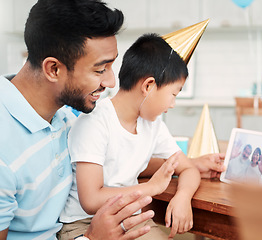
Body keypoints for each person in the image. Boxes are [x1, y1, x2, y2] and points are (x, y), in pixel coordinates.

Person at [0, 0, 155, 239]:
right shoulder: (4, 151)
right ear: (53, 69)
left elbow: (108, 157)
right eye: (100, 70)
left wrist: (178, 164)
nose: (111, 82)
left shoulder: (63, 115)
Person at [59, 33, 204, 240]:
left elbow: (188, 167)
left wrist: (183, 196)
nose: (172, 105)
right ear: (148, 86)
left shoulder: (153, 124)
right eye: (173, 95)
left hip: (130, 217)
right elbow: (90, 199)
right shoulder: (95, 121)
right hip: (84, 224)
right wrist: (151, 188)